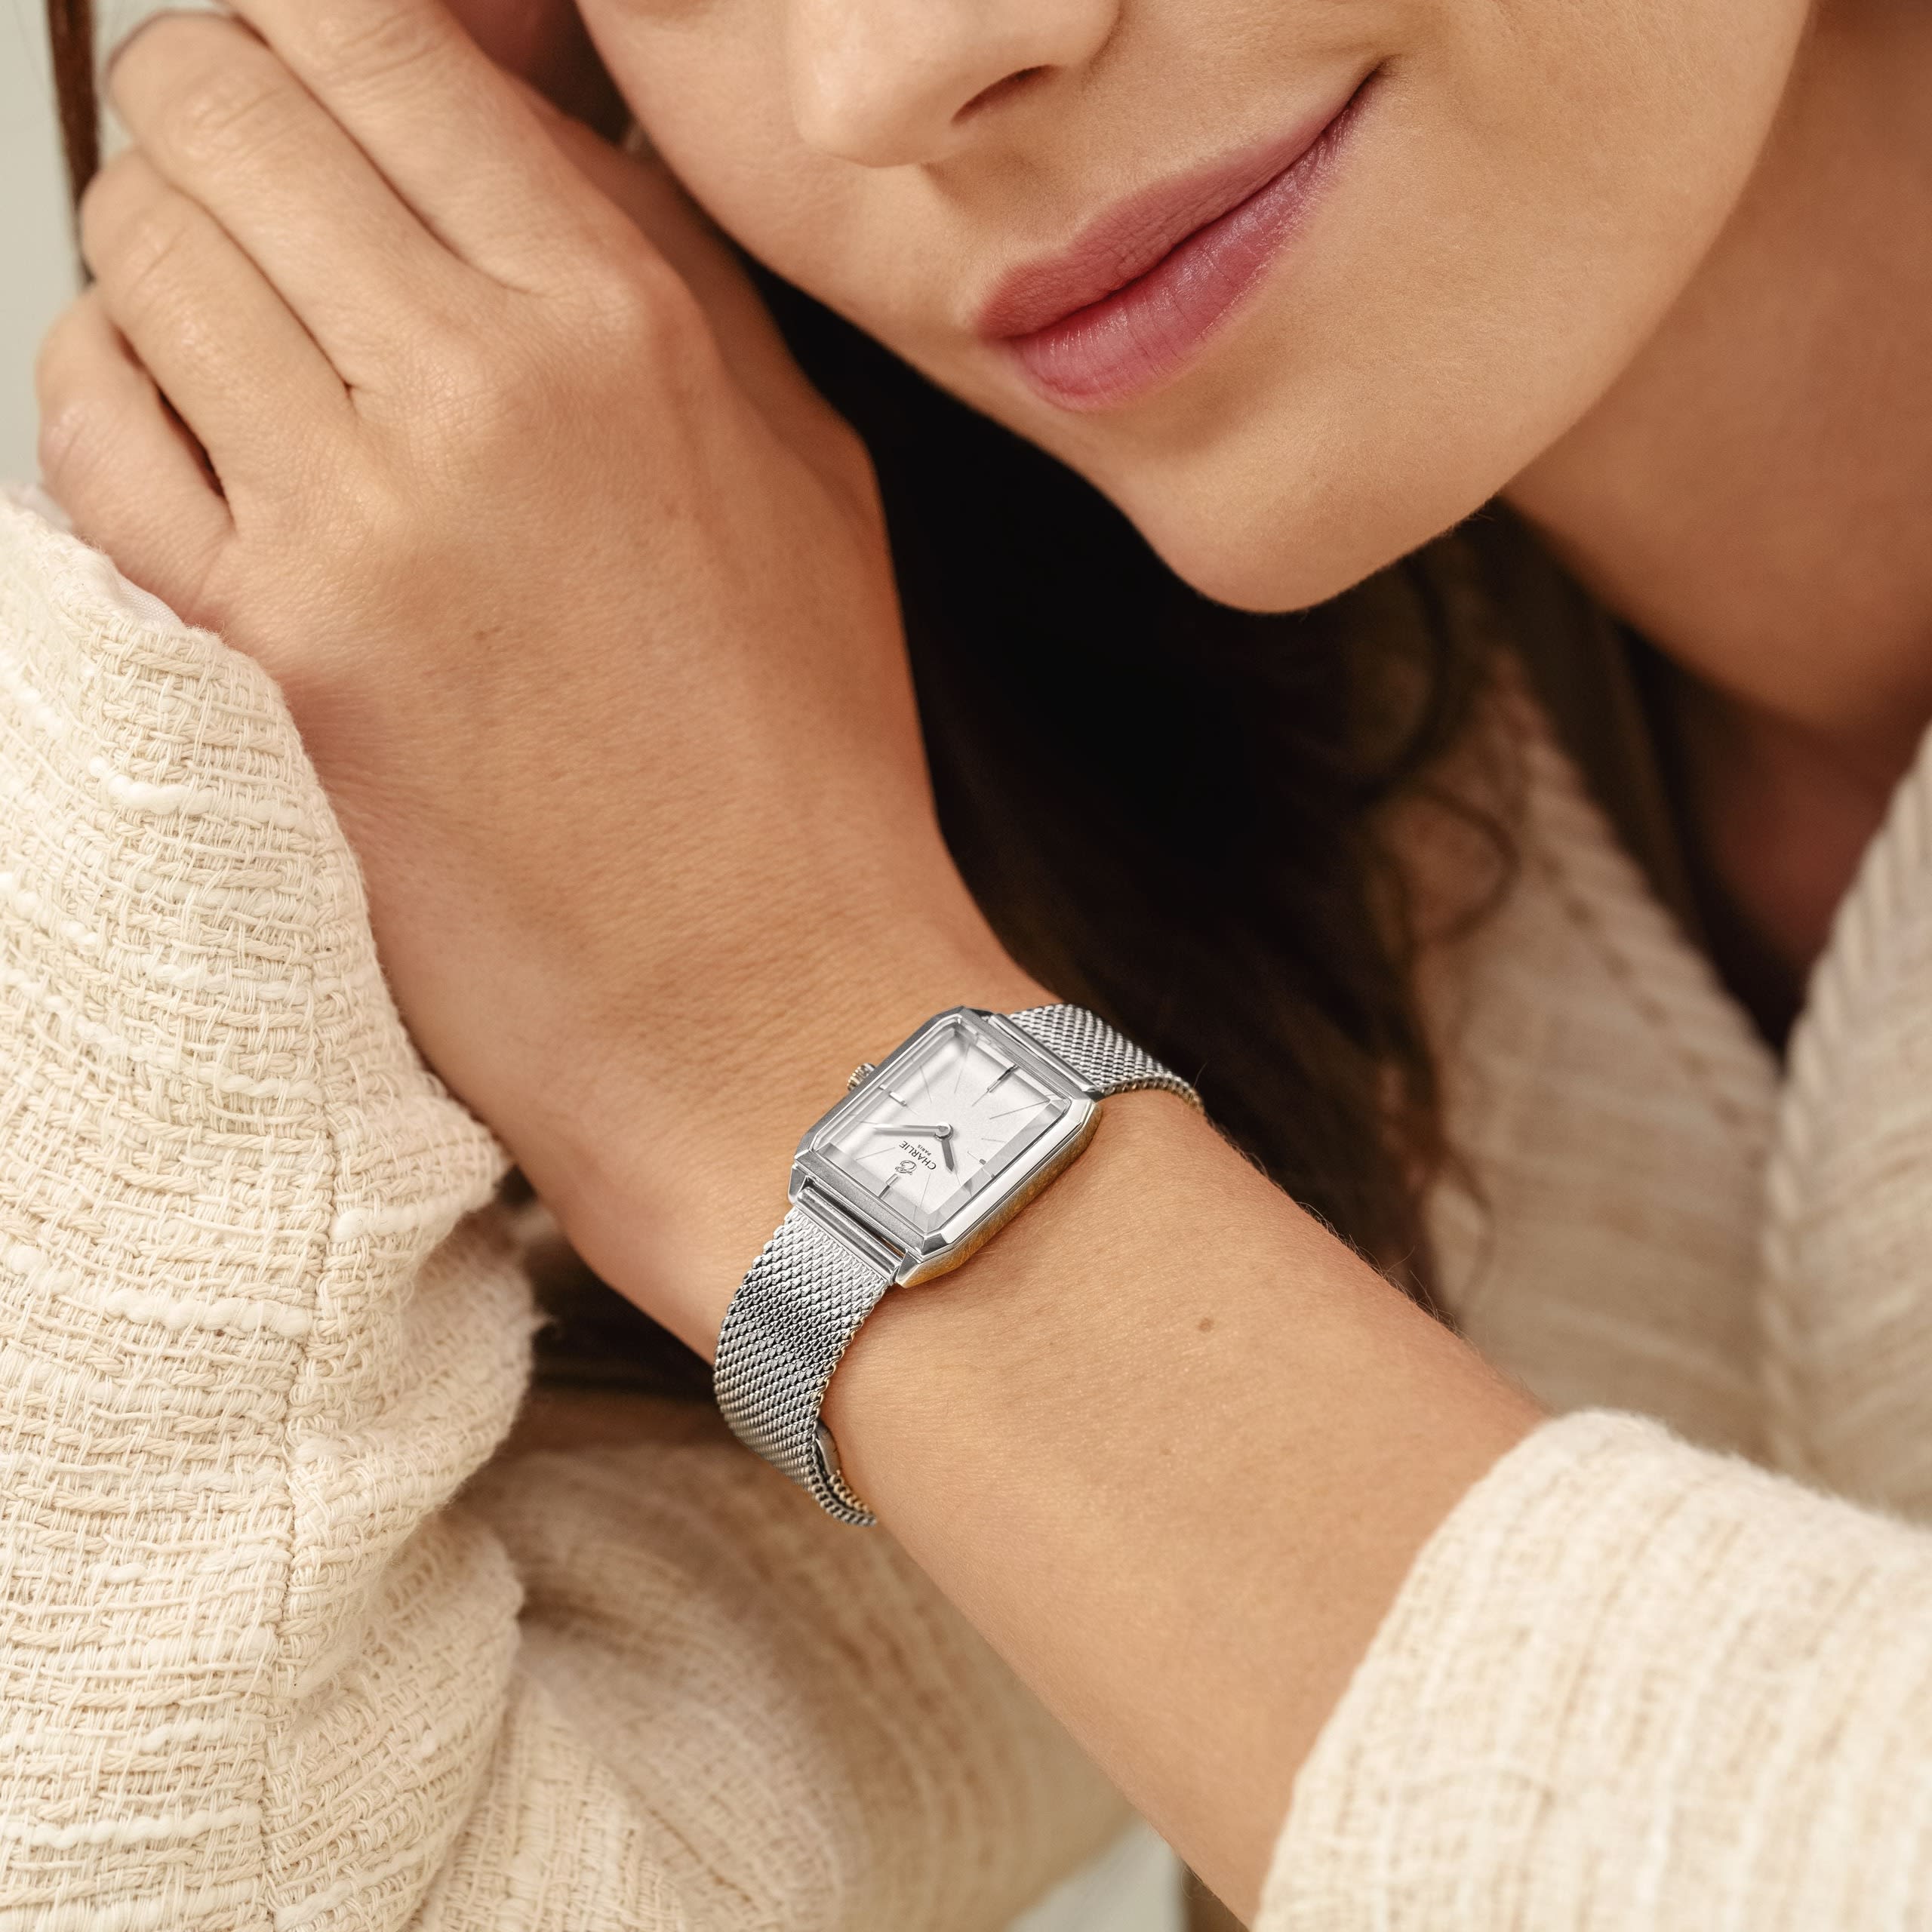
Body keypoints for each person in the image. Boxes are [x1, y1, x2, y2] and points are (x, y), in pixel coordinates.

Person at [13, 0, 1932, 1924]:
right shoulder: (1220, 794)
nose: (889, 70)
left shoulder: (841, 901)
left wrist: (796, 1051)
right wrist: (285, 362)